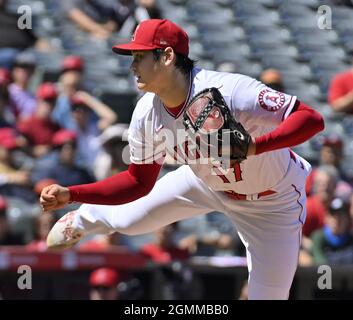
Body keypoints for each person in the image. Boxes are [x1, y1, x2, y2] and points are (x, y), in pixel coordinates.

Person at [40, 19, 324, 300]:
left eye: (139, 56)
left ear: (167, 56)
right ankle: (80, 220)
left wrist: (254, 147)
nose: (132, 66)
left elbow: (311, 119)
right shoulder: (146, 114)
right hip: (206, 183)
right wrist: (72, 193)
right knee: (129, 220)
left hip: (272, 203)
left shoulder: (231, 90)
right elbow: (137, 182)